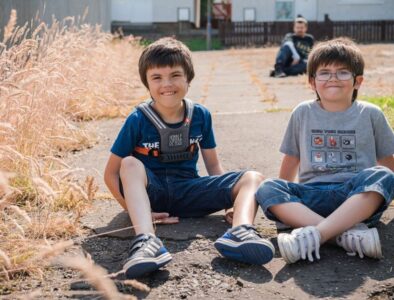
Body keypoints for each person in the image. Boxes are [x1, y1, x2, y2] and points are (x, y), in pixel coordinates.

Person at [104, 37, 274, 278]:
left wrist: (228, 204)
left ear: (188, 79)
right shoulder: (138, 119)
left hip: (189, 192)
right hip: (152, 195)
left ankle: (241, 229)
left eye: (175, 75)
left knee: (253, 178)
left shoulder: (200, 115)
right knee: (129, 163)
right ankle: (146, 242)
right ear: (147, 84)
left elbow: (213, 164)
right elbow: (110, 173)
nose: (167, 84)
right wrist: (132, 211)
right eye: (157, 78)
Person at [256, 38, 394, 264]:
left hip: (356, 198)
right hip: (312, 196)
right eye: (324, 72)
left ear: (358, 81)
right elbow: (292, 157)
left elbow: (387, 160)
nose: (332, 78)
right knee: (267, 188)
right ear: (312, 82)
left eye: (342, 72)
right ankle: (344, 237)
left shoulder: (371, 114)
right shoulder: (302, 112)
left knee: (383, 176)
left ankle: (316, 235)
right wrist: (284, 195)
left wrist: (386, 186)